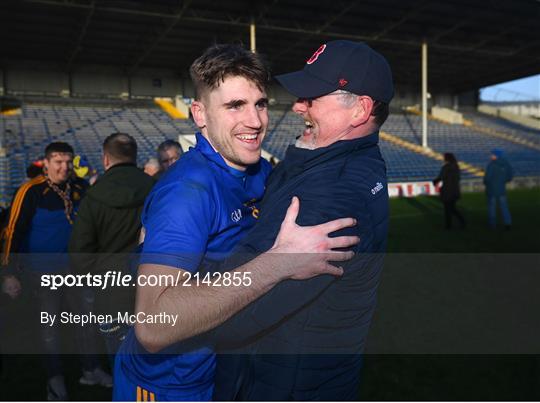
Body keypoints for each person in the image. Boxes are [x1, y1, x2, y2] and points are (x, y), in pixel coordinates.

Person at [113, 44, 357, 401]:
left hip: (227, 375)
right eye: (234, 106)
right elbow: (152, 326)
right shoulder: (188, 193)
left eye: (260, 103)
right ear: (200, 114)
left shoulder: (258, 170)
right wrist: (277, 264)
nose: (255, 121)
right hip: (167, 386)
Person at [187, 39, 392, 401]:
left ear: (359, 110)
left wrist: (176, 272)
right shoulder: (331, 163)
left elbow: (230, 321)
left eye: (311, 98)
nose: (297, 107)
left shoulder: (331, 198)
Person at [0, 142, 110, 400]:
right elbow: (13, 231)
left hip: (77, 270)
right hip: (42, 273)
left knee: (87, 321)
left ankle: (91, 369)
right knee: (49, 329)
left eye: (68, 162)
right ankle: (54, 379)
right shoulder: (30, 190)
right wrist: (8, 272)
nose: (64, 167)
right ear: (46, 163)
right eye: (58, 162)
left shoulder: (80, 188)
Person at [68, 133, 155, 363]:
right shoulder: (156, 189)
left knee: (120, 367)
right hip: (153, 291)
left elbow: (79, 254)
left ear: (105, 159)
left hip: (111, 294)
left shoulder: (94, 195)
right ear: (135, 157)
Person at [433, 153, 466, 229]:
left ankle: (449, 226)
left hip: (447, 190)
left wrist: (434, 182)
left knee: (448, 209)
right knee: (452, 208)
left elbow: (441, 177)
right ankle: (461, 222)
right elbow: (458, 178)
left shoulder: (446, 167)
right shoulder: (456, 166)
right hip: (455, 190)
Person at [484, 148, 513, 230]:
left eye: (492, 154)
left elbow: (487, 178)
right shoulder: (506, 164)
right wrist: (502, 181)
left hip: (491, 189)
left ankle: (492, 224)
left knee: (491, 207)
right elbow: (509, 176)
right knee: (504, 207)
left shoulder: (491, 164)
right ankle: (508, 223)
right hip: (501, 188)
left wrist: (486, 183)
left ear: (496, 155)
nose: (490, 156)